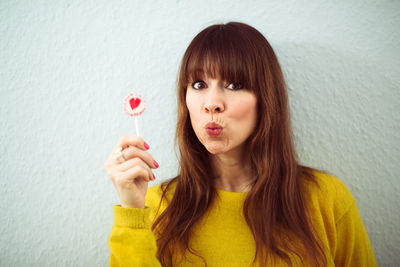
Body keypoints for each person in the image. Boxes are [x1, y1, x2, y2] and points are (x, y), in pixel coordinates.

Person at [104, 22, 377, 266]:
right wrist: (131, 212)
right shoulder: (156, 206)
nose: (211, 103)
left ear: (265, 100)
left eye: (234, 85)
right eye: (199, 84)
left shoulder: (325, 200)